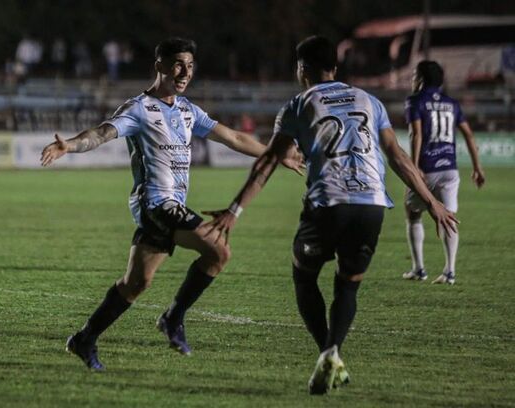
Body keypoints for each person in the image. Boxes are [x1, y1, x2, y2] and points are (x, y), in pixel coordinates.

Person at [203, 36, 458, 395]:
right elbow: (397, 156)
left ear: (301, 69)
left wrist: (234, 210)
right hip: (371, 206)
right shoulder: (370, 101)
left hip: (329, 204)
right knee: (348, 284)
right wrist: (433, 203)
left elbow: (267, 163)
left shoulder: (297, 105)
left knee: (303, 276)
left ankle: (327, 351)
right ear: (335, 69)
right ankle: (332, 352)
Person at [40, 37, 303, 371]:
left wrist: (276, 153)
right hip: (155, 203)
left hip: (170, 206)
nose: (185, 72)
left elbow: (234, 138)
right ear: (160, 65)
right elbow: (103, 133)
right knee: (219, 250)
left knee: (136, 284)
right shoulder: (138, 109)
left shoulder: (187, 110)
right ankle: (173, 317)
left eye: (190, 65)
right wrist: (72, 146)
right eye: (178, 63)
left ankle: (84, 339)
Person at [402, 60, 485, 285]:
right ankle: (450, 272)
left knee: (412, 212)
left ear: (420, 79)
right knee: (449, 218)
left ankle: (419, 269)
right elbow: (468, 134)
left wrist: (415, 165)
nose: (412, 80)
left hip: (427, 167)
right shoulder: (452, 103)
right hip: (450, 168)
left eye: (413, 75)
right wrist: (477, 166)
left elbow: (416, 134)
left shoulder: (415, 101)